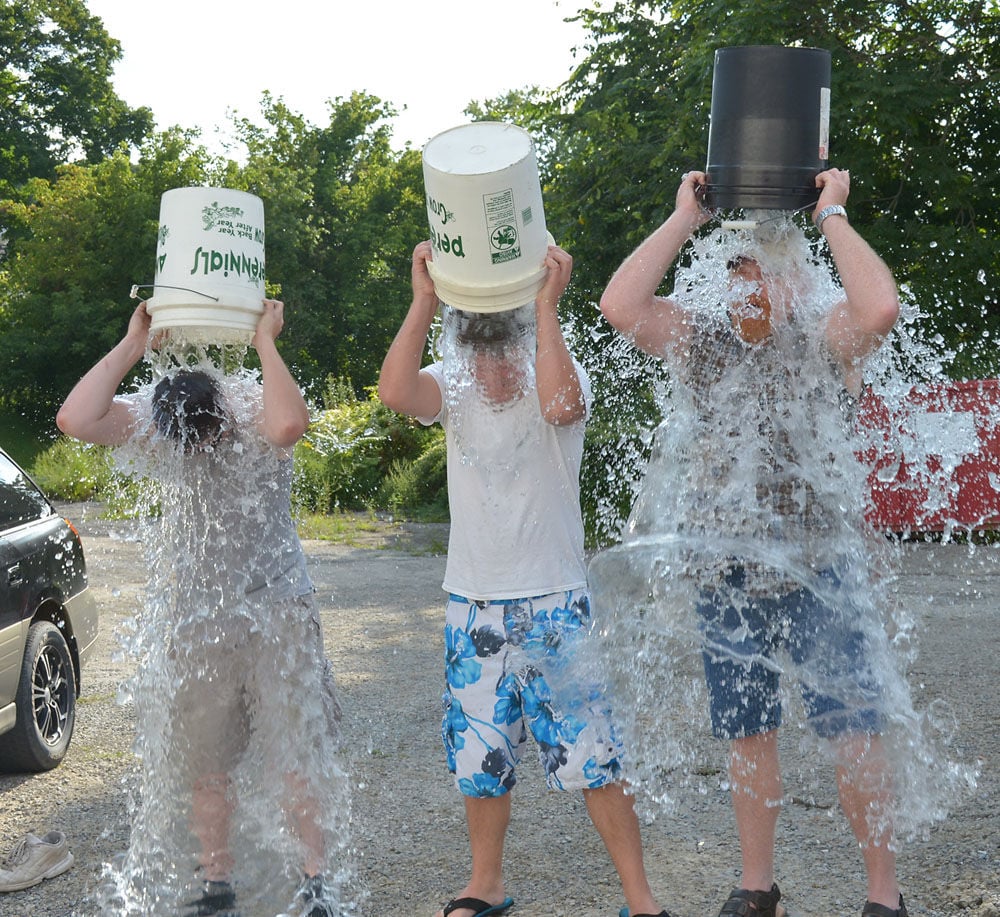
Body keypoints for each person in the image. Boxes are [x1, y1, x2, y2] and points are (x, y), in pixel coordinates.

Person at [597, 167, 908, 917]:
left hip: (817, 564)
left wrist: (831, 213)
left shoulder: (823, 336)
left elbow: (882, 306)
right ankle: (757, 886)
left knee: (853, 727)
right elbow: (617, 306)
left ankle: (883, 895)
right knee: (747, 730)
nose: (742, 290)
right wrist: (684, 220)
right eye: (733, 274)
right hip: (725, 567)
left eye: (757, 275)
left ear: (790, 280)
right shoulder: (703, 344)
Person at [378, 240, 671, 917]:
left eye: (503, 352)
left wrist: (545, 308)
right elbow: (396, 390)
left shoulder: (553, 373)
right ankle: (486, 884)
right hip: (473, 603)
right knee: (480, 758)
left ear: (524, 345)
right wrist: (424, 298)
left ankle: (641, 896)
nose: (491, 368)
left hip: (555, 601)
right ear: (465, 354)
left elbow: (564, 405)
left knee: (594, 754)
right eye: (479, 355)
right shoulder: (453, 387)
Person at [56, 300, 350, 917]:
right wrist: (134, 342)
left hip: (277, 608)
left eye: (204, 440)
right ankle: (217, 883)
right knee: (204, 759)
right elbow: (76, 419)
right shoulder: (158, 417)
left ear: (222, 419)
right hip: (197, 615)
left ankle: (314, 882)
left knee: (295, 754)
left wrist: (267, 341)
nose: (193, 452)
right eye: (181, 445)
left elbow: (291, 426)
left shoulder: (249, 406)